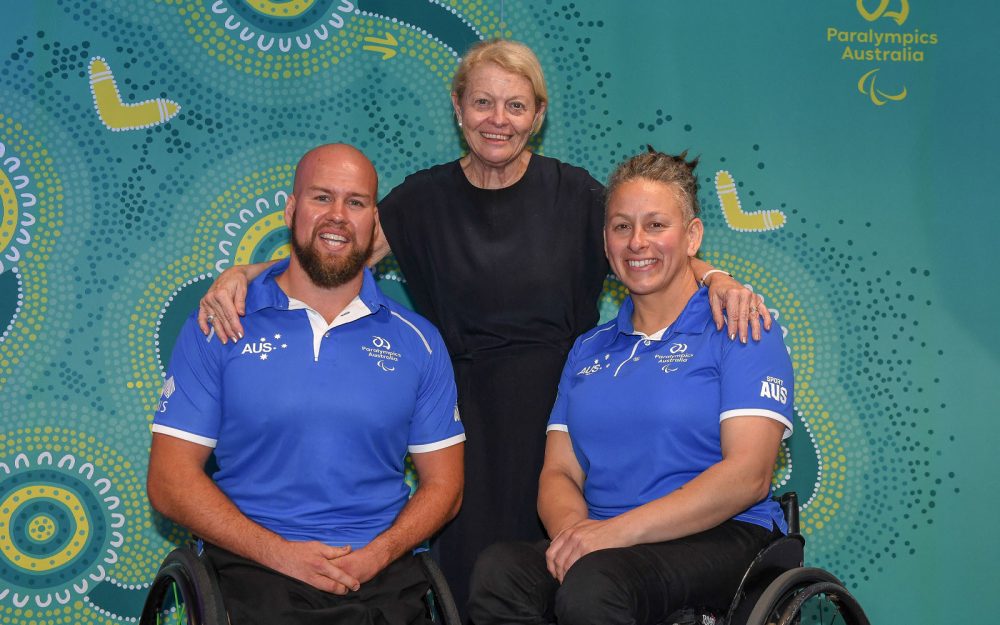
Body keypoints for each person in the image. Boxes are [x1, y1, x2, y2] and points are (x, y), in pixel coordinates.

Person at [195, 40, 770, 613]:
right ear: (458, 108)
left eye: (516, 106)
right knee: (477, 580)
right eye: (483, 103)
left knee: (575, 581)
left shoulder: (577, 196)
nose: (499, 120)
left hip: (561, 409)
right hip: (461, 419)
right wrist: (247, 273)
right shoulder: (420, 200)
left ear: (538, 116)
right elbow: (331, 251)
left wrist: (717, 277)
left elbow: (643, 246)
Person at [466, 148, 794, 625]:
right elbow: (558, 473)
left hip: (723, 536)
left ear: (692, 236)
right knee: (501, 571)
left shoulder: (741, 327)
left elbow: (748, 476)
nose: (637, 242)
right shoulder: (588, 349)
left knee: (597, 583)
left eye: (656, 225)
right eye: (622, 226)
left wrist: (612, 535)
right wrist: (575, 533)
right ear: (606, 242)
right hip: (608, 545)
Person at [147, 144, 465, 625]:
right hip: (254, 570)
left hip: (379, 574)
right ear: (292, 210)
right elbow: (169, 482)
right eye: (322, 198)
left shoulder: (418, 340)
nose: (338, 216)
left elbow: (446, 486)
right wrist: (280, 554)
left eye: (355, 203)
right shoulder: (222, 322)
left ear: (373, 222)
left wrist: (378, 554)